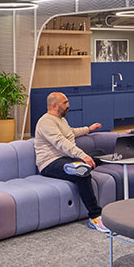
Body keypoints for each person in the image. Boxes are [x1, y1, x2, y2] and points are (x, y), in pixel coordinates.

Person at [34, 92, 108, 232]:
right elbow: (61, 143)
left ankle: (77, 166)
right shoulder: (45, 122)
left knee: (101, 155)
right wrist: (82, 155)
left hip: (67, 160)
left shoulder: (61, 120)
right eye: (65, 102)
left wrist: (88, 129)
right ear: (55, 105)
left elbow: (70, 132)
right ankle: (95, 216)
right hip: (50, 163)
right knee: (82, 173)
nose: (68, 105)